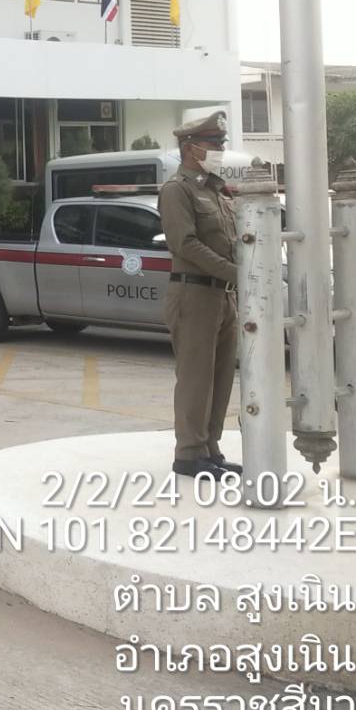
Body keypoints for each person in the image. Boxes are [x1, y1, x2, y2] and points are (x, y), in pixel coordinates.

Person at [159, 111, 240, 480]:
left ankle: (210, 449)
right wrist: (236, 274)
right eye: (214, 143)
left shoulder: (215, 190)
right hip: (193, 294)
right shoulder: (177, 190)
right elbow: (185, 244)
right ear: (190, 148)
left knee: (221, 378)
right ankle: (189, 454)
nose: (220, 149)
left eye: (221, 142)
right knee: (196, 379)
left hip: (223, 295)